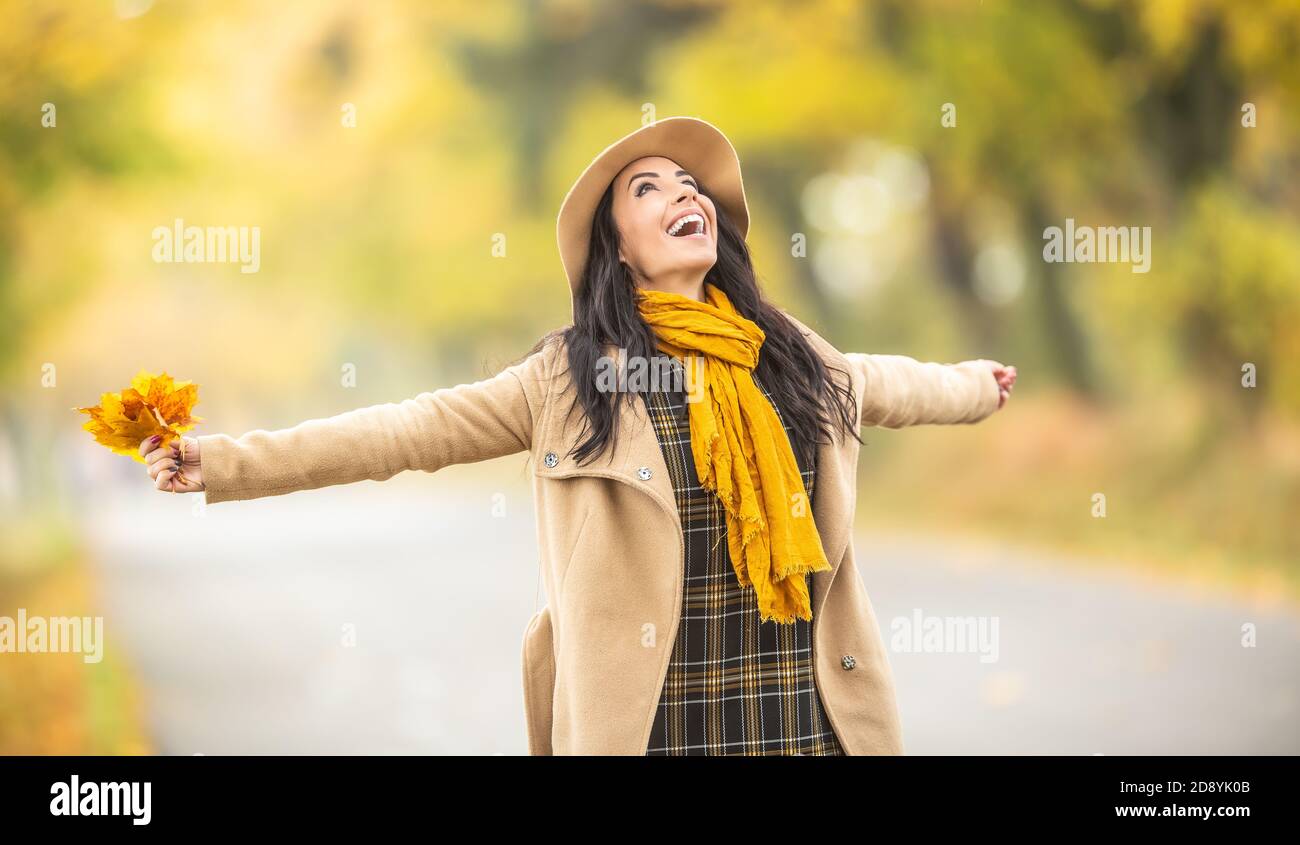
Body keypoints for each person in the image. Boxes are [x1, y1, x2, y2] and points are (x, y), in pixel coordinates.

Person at [140, 116, 1016, 755]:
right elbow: (404, 432)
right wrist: (222, 461)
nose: (684, 195)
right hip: (651, 729)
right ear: (620, 250)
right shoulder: (568, 382)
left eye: (692, 186)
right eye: (651, 189)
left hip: (805, 720)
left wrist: (979, 387)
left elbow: (897, 384)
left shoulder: (789, 357)